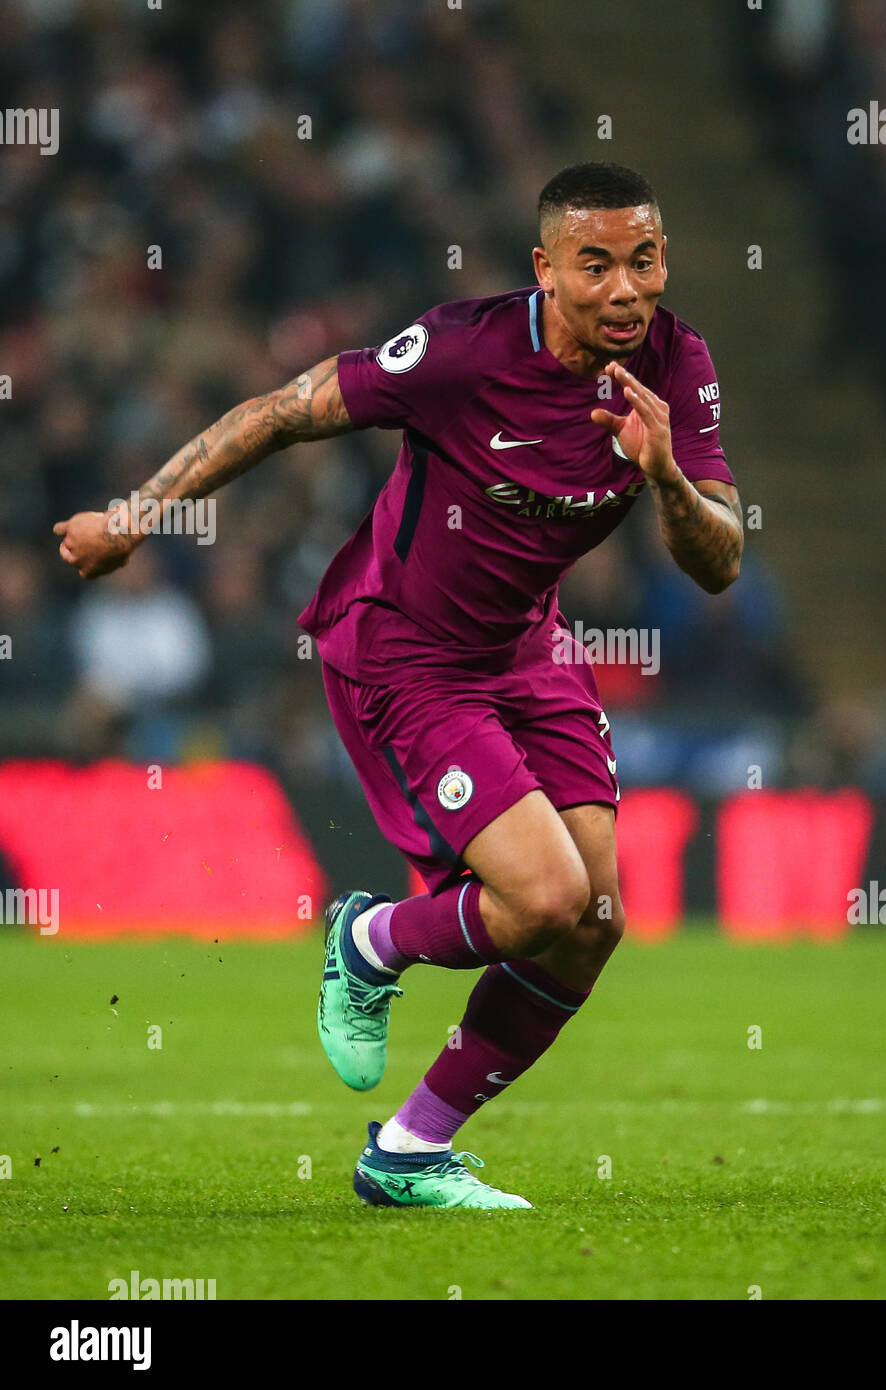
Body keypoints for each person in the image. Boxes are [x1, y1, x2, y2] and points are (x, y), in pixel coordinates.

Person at [53, 161, 743, 1210]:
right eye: (593, 263)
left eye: (641, 260)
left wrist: (665, 479)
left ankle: (411, 1150)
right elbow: (286, 409)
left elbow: (721, 558)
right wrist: (135, 514)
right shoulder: (464, 350)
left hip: (531, 648)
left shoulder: (673, 362)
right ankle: (367, 938)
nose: (621, 290)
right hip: (405, 650)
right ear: (545, 268)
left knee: (595, 916)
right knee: (544, 897)